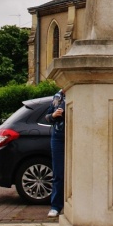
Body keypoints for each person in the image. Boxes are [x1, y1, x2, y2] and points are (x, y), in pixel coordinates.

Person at [47, 90, 65, 218]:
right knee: (58, 173)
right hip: (58, 137)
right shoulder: (57, 96)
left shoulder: (79, 90)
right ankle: (55, 206)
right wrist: (54, 115)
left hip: (76, 135)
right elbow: (47, 117)